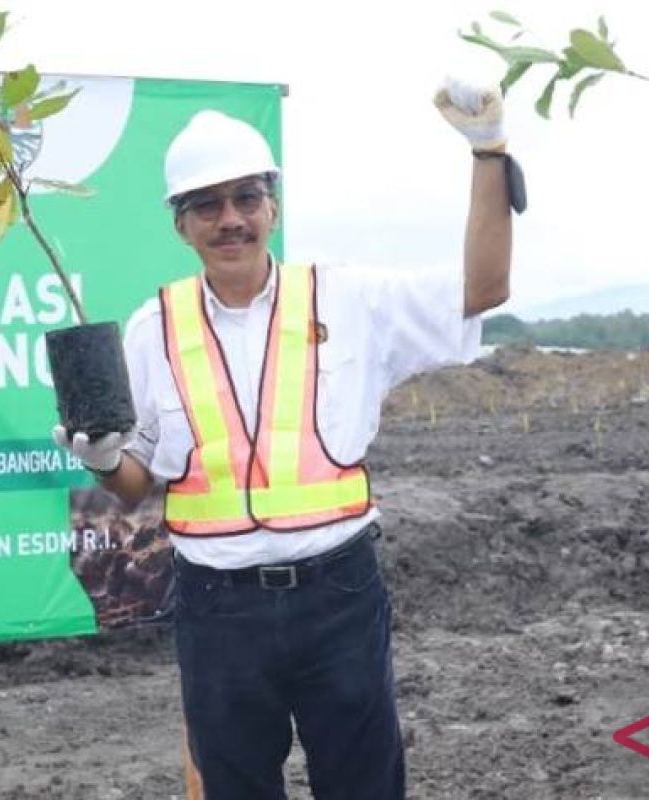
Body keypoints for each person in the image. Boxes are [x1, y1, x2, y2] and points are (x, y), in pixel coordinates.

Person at [52, 78, 516, 799]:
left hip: (339, 594)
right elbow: (142, 478)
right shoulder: (156, 328)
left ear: (273, 205)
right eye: (207, 204)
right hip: (217, 608)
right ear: (180, 225)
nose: (229, 219)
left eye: (246, 198)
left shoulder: (348, 299)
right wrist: (108, 462)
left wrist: (489, 153)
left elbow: (482, 288)